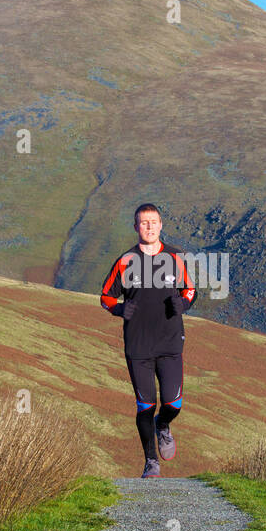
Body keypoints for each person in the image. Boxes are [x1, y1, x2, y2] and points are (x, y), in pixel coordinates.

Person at [99, 203, 197, 477]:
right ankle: (150, 461)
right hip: (138, 345)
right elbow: (105, 297)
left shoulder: (176, 257)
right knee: (145, 405)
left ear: (161, 224)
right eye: (144, 223)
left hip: (169, 343)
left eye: (153, 222)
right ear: (136, 227)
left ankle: (163, 426)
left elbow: (190, 290)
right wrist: (119, 309)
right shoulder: (124, 261)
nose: (149, 226)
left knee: (172, 404)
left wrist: (184, 305)